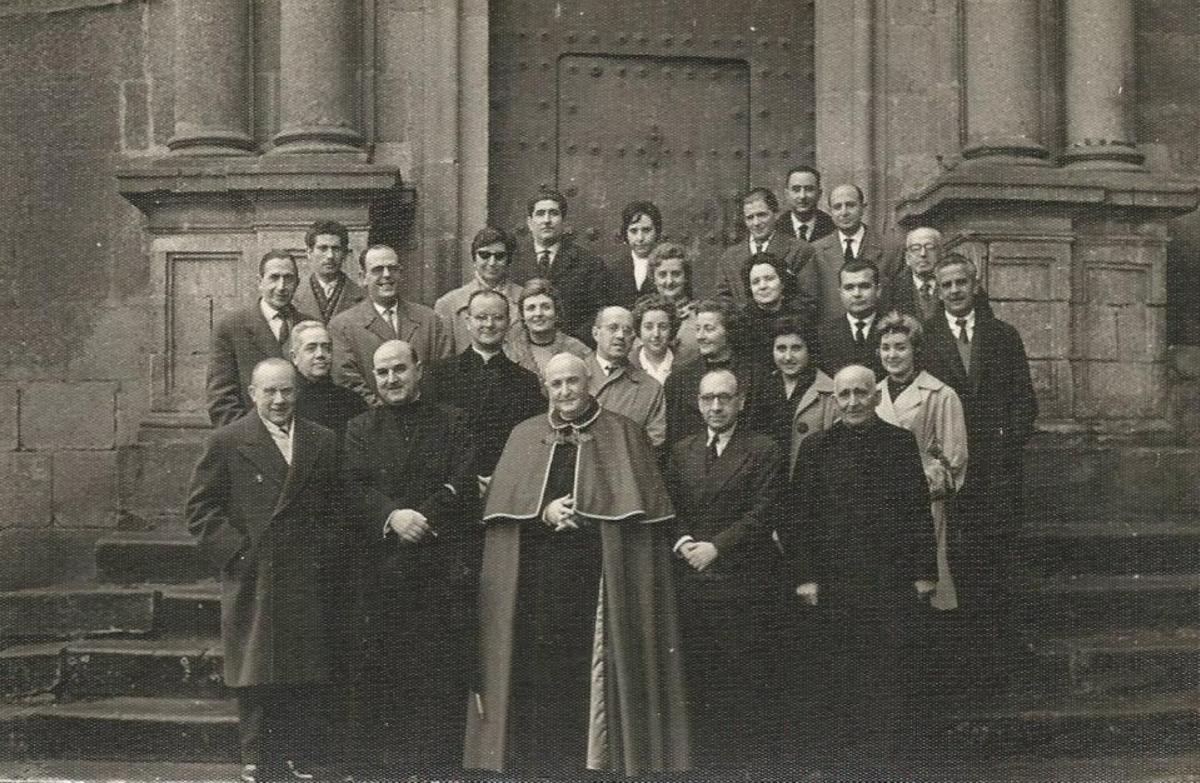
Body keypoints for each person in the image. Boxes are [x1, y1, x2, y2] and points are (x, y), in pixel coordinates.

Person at [464, 353, 690, 778]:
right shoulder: (525, 434)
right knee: (539, 669)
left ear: (589, 383)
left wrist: (590, 516)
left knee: (592, 673)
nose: (565, 391)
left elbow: (637, 516)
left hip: (600, 576)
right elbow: (506, 513)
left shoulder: (624, 433)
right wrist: (545, 511)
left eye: (573, 381)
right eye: (556, 384)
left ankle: (592, 765)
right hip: (538, 577)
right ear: (545, 388)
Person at [186, 359, 341, 783]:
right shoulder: (227, 441)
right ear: (252, 394)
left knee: (304, 668)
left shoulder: (322, 439)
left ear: (298, 392)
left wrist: (322, 552)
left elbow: (336, 505)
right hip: (256, 574)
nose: (278, 400)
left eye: (286, 390)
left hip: (306, 573)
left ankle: (297, 756)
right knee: (257, 669)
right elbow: (200, 510)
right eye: (269, 391)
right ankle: (257, 758)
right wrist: (238, 555)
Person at [780, 364, 937, 778]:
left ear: (876, 396)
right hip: (832, 581)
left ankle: (881, 762)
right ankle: (837, 762)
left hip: (887, 579)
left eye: (861, 393)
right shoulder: (816, 447)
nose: (853, 402)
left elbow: (917, 513)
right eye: (844, 395)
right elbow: (799, 517)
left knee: (885, 670)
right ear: (835, 400)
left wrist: (925, 573)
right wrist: (804, 576)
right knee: (834, 669)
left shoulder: (900, 443)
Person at [342, 340, 478, 776]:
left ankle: (437, 767)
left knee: (438, 670)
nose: (391, 379)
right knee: (385, 670)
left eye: (399, 369)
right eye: (382, 372)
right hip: (384, 569)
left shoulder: (453, 420)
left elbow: (463, 479)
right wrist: (393, 517)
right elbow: (353, 487)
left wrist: (425, 517)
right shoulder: (360, 428)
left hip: (440, 569)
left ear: (419, 369)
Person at [922, 253, 1037, 696]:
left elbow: (1025, 402)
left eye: (961, 282)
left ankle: (999, 667)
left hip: (996, 475)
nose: (954, 291)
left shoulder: (1003, 336)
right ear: (937, 290)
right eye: (946, 284)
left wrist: (1002, 447)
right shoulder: (926, 337)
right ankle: (956, 669)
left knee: (996, 566)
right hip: (948, 475)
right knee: (952, 566)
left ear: (975, 284)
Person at [667, 368, 784, 772]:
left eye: (724, 398)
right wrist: (684, 542)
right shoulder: (682, 450)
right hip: (691, 580)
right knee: (698, 678)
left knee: (741, 680)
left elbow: (764, 512)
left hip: (743, 582)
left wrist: (716, 547)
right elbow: (669, 505)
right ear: (698, 404)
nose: (715, 406)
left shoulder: (764, 449)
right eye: (708, 399)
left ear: (740, 402)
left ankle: (742, 768)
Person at [875, 312, 968, 611]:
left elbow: (955, 458)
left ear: (915, 350)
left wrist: (925, 480)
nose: (892, 355)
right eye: (886, 347)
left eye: (900, 347)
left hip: (923, 499)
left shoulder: (941, 395)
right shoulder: (872, 393)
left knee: (924, 580)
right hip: (876, 500)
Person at [429, 289, 545, 487]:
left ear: (508, 322)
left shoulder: (526, 381)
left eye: (498, 318)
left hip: (506, 483)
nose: (489, 324)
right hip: (451, 484)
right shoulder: (439, 374)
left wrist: (500, 478)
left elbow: (529, 443)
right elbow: (432, 439)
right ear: (468, 322)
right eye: (481, 318)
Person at [328, 244, 452, 406]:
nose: (386, 275)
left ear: (401, 274)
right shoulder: (342, 326)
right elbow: (348, 381)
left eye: (393, 268)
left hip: (426, 416)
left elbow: (444, 372)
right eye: (377, 270)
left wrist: (421, 410)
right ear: (363, 277)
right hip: (372, 418)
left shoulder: (429, 319)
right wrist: (385, 414)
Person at [206, 250, 316, 428]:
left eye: (288, 278)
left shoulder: (310, 326)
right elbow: (221, 399)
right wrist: (250, 438)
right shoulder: (231, 327)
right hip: (250, 436)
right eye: (274, 277)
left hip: (301, 435)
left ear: (297, 283)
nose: (281, 286)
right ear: (260, 282)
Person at [508, 188, 608, 345]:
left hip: (573, 349)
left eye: (553, 213)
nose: (547, 220)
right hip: (522, 348)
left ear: (564, 221)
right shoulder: (513, 261)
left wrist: (568, 344)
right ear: (529, 222)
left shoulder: (589, 263)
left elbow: (598, 314)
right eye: (540, 214)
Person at [664, 299, 767, 445]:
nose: (700, 336)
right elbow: (673, 438)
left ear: (729, 331)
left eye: (709, 329)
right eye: (697, 329)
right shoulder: (678, 380)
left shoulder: (757, 377)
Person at [760, 316, 838, 477]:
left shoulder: (829, 393)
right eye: (781, 349)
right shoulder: (763, 388)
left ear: (810, 349)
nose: (788, 357)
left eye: (796, 348)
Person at [797, 184, 887, 321]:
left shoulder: (890, 248)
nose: (844, 212)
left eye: (850, 205)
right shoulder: (815, 251)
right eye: (837, 207)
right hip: (831, 330)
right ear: (830, 212)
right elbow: (808, 299)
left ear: (863, 208)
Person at [714, 187, 816, 307]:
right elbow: (723, 301)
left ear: (776, 214)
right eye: (750, 217)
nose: (756, 223)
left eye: (762, 215)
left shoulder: (799, 250)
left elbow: (807, 299)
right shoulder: (729, 258)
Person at [433, 226, 524, 353]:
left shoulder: (525, 299)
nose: (492, 262)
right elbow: (444, 358)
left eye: (499, 256)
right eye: (484, 255)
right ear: (474, 259)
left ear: (508, 260)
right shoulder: (449, 304)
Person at [587, 306, 667, 448]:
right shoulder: (572, 376)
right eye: (613, 328)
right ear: (596, 333)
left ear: (633, 338)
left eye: (627, 330)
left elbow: (655, 443)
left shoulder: (650, 388)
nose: (620, 335)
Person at [738, 251, 816, 368]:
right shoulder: (741, 322)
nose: (762, 286)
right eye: (755, 282)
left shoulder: (802, 315)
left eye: (769, 279)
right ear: (750, 288)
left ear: (782, 282)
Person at [289, 320, 367, 437]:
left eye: (327, 348)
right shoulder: (287, 401)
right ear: (294, 357)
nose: (320, 354)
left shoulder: (352, 400)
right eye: (311, 348)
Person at [503, 277, 591, 381]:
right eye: (531, 308)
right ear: (522, 316)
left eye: (546, 307)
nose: (538, 313)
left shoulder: (579, 350)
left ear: (557, 313)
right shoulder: (510, 352)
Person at [816, 259, 886, 379]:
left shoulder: (891, 329)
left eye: (864, 286)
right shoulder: (823, 334)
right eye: (849, 288)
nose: (857, 294)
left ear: (878, 290)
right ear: (840, 293)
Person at [292, 220, 365, 323]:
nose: (330, 256)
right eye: (323, 248)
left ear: (344, 254)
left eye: (336, 249)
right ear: (309, 252)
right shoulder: (293, 295)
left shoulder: (362, 297)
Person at [647, 242, 700, 364]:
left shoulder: (699, 316)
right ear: (654, 279)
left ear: (686, 277)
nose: (669, 281)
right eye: (662, 275)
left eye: (676, 274)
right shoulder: (645, 316)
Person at [604, 200, 662, 308]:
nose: (640, 238)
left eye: (646, 230)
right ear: (626, 234)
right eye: (633, 231)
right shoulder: (614, 270)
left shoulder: (667, 266)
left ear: (657, 232)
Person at [886, 226, 944, 322]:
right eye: (915, 249)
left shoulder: (953, 282)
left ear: (941, 254)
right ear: (907, 257)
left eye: (930, 247)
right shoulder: (891, 290)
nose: (923, 254)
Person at [629, 293, 681, 386]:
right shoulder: (628, 364)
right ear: (639, 329)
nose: (656, 334)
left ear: (672, 329)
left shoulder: (686, 363)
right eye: (648, 327)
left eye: (663, 327)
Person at [781, 165, 836, 243]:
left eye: (809, 189)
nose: (802, 196)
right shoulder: (775, 228)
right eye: (796, 189)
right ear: (787, 194)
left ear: (819, 194)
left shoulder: (833, 227)